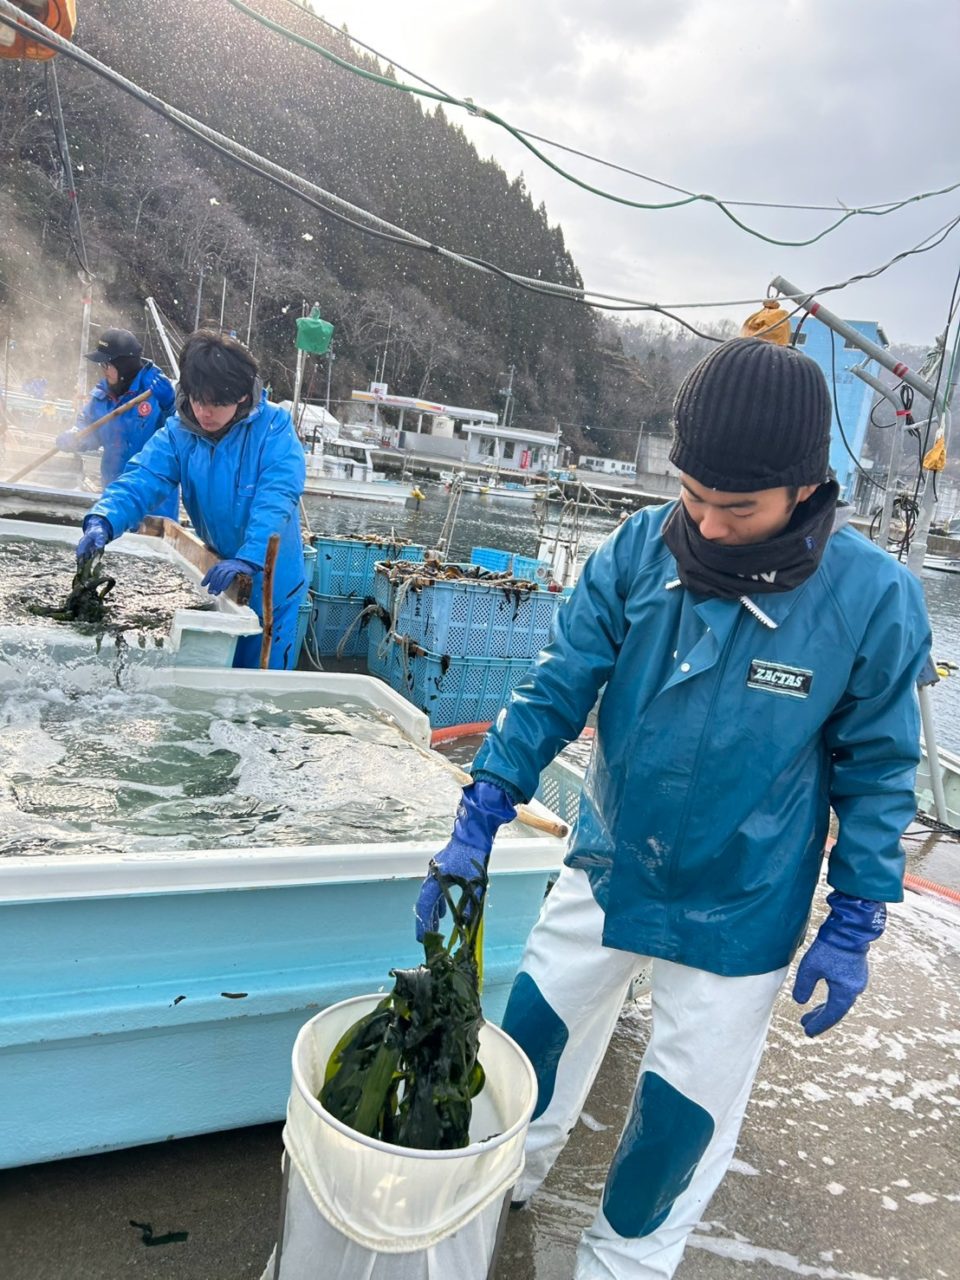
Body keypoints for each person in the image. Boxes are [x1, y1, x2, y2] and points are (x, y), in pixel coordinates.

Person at [414, 338, 932, 1278]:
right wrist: (485, 803)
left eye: (738, 507)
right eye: (693, 497)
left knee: (678, 1115)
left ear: (809, 489)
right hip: (613, 858)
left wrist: (857, 912)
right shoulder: (635, 551)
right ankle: (498, 1184)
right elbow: (556, 685)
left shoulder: (874, 599)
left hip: (745, 901)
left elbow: (880, 768)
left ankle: (625, 1262)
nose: (709, 524)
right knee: (527, 1043)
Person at [75, 330, 307, 671]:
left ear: (242, 395)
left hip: (274, 582)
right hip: (221, 573)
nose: (203, 412)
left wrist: (251, 557)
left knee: (258, 688)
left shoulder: (274, 428)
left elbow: (276, 498)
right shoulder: (179, 432)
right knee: (216, 684)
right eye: (197, 399)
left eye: (215, 403)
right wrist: (103, 519)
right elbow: (142, 479)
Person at [56, 328, 179, 519]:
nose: (103, 370)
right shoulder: (102, 394)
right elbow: (89, 427)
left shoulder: (157, 391)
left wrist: (170, 407)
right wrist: (75, 437)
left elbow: (180, 436)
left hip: (154, 502)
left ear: (123, 365)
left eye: (107, 364)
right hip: (113, 496)